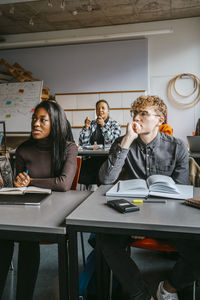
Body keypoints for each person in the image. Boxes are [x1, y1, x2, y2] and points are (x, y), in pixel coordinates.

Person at [98, 95, 200, 300]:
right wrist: (127, 140)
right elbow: (106, 180)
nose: (137, 117)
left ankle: (169, 288)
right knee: (104, 240)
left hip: (167, 219)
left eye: (143, 113)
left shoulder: (177, 146)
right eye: (135, 113)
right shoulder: (122, 142)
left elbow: (179, 192)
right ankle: (141, 295)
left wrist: (148, 221)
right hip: (131, 217)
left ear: (159, 120)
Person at [0, 100, 78, 300]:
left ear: (56, 123)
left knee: (28, 239)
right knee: (4, 237)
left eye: (43, 120)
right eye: (34, 119)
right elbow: (19, 184)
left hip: (57, 213)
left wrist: (31, 180)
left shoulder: (69, 148)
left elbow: (63, 184)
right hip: (28, 209)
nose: (36, 123)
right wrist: (19, 181)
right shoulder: (24, 149)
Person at [78, 99, 121, 187]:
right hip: (92, 158)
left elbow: (113, 142)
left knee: (101, 176)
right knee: (80, 172)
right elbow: (83, 143)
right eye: (98, 109)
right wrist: (86, 128)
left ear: (108, 110)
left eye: (103, 108)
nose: (100, 110)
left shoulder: (115, 124)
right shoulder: (92, 124)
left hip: (106, 160)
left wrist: (103, 126)